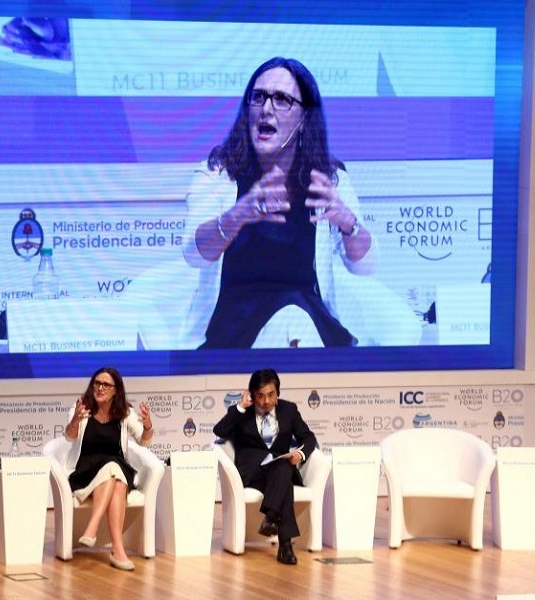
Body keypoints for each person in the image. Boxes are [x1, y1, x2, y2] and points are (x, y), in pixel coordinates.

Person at [182, 56, 419, 349]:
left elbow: (366, 266)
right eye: (258, 97)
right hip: (231, 325)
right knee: (292, 320)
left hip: (307, 316)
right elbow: (194, 254)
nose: (266, 109)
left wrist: (348, 223)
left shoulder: (329, 179)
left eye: (282, 99)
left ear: (305, 118)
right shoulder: (218, 171)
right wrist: (238, 214)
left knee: (295, 316)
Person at [212, 369, 317, 565]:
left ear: (278, 393)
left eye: (271, 395)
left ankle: (271, 518)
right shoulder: (242, 413)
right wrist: (241, 407)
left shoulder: (289, 410)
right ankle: (284, 543)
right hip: (253, 472)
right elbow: (219, 431)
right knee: (284, 476)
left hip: (279, 470)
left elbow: (308, 437)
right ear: (251, 394)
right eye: (260, 396)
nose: (266, 401)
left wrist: (300, 454)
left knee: (283, 468)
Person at [61, 367, 153, 571]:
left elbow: (144, 442)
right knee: (117, 479)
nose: (100, 388)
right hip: (86, 471)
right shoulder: (81, 408)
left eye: (106, 385)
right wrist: (76, 419)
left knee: (115, 471)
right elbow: (69, 436)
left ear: (115, 390)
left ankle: (97, 531)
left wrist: (147, 426)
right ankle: (117, 550)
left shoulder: (124, 413)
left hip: (117, 466)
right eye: (97, 383)